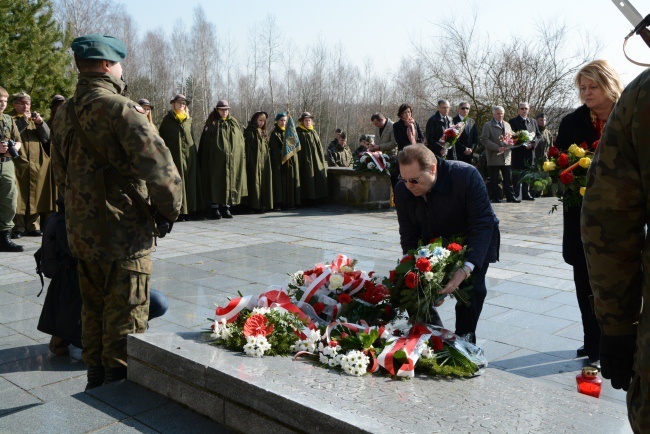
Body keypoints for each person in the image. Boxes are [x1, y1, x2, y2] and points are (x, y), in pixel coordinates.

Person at [51, 33, 182, 389]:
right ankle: (118, 391)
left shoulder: (63, 113)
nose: (122, 70)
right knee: (127, 316)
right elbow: (162, 171)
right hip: (124, 236)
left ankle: (95, 381)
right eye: (120, 63)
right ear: (108, 65)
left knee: (92, 311)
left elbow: (59, 174)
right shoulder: (122, 110)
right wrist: (168, 213)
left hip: (81, 235)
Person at [582, 38, 650, 432]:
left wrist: (619, 327)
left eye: (593, 87)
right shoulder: (577, 119)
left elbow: (611, 218)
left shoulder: (642, 96)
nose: (587, 95)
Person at [556, 59, 624, 371]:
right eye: (582, 88)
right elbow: (559, 163)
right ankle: (592, 339)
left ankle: (619, 340)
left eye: (592, 86)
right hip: (581, 219)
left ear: (608, 83)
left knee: (620, 285)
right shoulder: (571, 122)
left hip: (623, 219)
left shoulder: (630, 116)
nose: (586, 93)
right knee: (584, 281)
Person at [37, 198, 171, 356]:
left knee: (158, 302)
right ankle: (66, 334)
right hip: (81, 299)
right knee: (104, 354)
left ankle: (118, 331)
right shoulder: (69, 221)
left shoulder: (106, 215)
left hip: (108, 290)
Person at [394, 144, 500, 343]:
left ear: (432, 169)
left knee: (471, 288)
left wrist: (466, 268)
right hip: (432, 242)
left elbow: (482, 223)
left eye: (414, 180)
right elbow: (408, 233)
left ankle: (465, 340)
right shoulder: (403, 190)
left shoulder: (466, 176)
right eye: (404, 179)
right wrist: (418, 270)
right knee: (410, 283)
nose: (409, 186)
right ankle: (431, 337)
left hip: (472, 238)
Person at [11, 91, 56, 238]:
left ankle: (33, 226)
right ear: (15, 104)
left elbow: (47, 137)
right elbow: (12, 134)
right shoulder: (10, 119)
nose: (26, 106)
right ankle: (18, 227)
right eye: (22, 103)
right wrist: (23, 121)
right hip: (18, 163)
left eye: (28, 103)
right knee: (18, 196)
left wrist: (41, 124)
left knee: (35, 194)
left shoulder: (35, 120)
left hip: (37, 163)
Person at [198, 99, 247, 219]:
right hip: (216, 161)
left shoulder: (233, 123)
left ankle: (226, 207)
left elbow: (239, 141)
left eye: (226, 110)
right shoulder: (212, 124)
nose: (225, 112)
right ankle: (215, 208)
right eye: (222, 110)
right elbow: (206, 143)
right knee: (216, 182)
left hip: (231, 161)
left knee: (228, 182)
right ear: (217, 110)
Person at [158, 94, 202, 221]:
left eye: (184, 103)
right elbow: (163, 140)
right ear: (173, 105)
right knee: (177, 182)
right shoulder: (167, 121)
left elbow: (192, 138)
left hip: (189, 157)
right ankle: (179, 211)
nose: (182, 105)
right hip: (175, 157)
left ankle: (189, 211)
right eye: (179, 103)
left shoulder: (189, 121)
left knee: (190, 182)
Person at [0, 86, 24, 252]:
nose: (2, 104)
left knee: (9, 199)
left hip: (7, 164)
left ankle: (4, 237)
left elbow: (18, 140)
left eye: (5, 101)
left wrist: (13, 146)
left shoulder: (8, 120)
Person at [482, 106, 518, 203]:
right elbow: (485, 140)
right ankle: (495, 197)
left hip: (506, 156)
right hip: (494, 156)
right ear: (493, 114)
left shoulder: (507, 125)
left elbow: (511, 138)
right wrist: (497, 147)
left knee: (508, 178)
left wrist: (511, 143)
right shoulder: (488, 125)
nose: (500, 115)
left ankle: (510, 196)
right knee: (494, 179)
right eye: (498, 113)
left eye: (502, 113)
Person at [268, 112, 300, 210]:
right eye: (281, 120)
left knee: (290, 182)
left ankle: (290, 202)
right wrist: (282, 153)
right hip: (279, 163)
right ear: (277, 121)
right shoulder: (275, 134)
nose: (283, 122)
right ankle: (279, 203)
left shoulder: (290, 133)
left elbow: (293, 146)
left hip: (289, 162)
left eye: (285, 120)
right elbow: (273, 148)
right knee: (279, 183)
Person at [509, 102, 540, 201]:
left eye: (526, 108)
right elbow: (511, 136)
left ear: (528, 110)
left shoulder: (533, 122)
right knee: (517, 174)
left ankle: (526, 194)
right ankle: (516, 194)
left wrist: (533, 143)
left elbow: (539, 135)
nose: (524, 110)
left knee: (527, 173)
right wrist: (522, 143)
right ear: (518, 110)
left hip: (529, 152)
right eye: (522, 108)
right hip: (518, 152)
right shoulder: (513, 121)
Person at [295, 112, 328, 205]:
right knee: (306, 177)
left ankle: (316, 198)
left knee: (317, 176)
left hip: (315, 159)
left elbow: (318, 147)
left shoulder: (313, 132)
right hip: (303, 160)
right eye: (306, 120)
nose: (308, 122)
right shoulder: (298, 132)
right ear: (302, 121)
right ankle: (306, 198)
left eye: (309, 120)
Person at [244, 111, 273, 213]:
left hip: (263, 161)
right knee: (254, 183)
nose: (262, 123)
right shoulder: (250, 132)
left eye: (263, 121)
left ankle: (262, 204)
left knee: (263, 182)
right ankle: (254, 206)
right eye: (260, 120)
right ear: (255, 120)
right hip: (253, 162)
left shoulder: (263, 132)